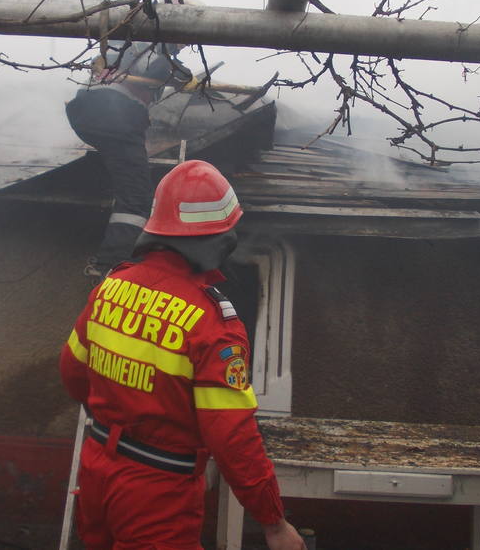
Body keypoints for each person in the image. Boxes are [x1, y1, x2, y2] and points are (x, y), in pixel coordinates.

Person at [59, 160, 306, 550]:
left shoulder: (112, 286)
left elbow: (72, 373)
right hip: (158, 493)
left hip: (96, 471)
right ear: (221, 236)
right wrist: (273, 522)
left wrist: (118, 418)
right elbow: (232, 438)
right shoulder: (212, 323)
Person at [66, 36, 193, 278]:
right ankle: (112, 264)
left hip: (88, 113)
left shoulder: (123, 42)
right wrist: (184, 75)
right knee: (136, 196)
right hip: (112, 114)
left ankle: (113, 255)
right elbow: (157, 68)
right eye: (183, 41)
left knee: (125, 178)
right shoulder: (152, 42)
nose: (182, 46)